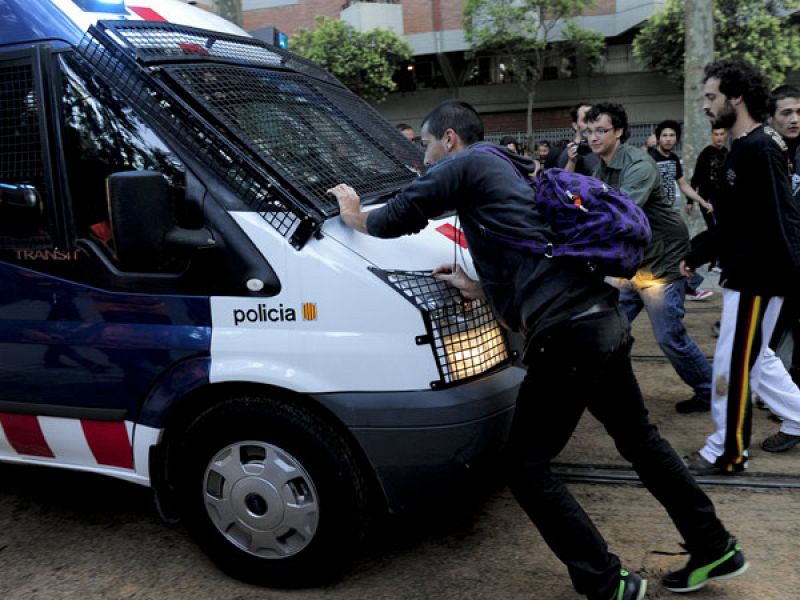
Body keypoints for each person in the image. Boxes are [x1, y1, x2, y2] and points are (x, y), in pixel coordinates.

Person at [328, 99, 747, 600]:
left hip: (568, 335)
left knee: (525, 467)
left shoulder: (468, 162)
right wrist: (479, 286)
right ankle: (714, 544)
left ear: (449, 139)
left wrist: (354, 217)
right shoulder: (511, 169)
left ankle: (604, 580)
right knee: (640, 441)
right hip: (600, 320)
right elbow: (531, 252)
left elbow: (402, 213)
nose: (424, 157)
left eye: (425, 145)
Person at [681, 59, 800, 473]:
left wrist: (788, 280)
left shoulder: (760, 148)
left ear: (736, 97)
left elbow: (780, 220)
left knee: (733, 366)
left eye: (711, 96)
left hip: (757, 279)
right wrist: (694, 255)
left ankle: (727, 452)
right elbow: (735, 222)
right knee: (756, 360)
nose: (704, 105)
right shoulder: (746, 146)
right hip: (750, 275)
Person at [586, 103, 714, 414]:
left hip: (662, 262)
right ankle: (599, 386)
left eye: (601, 130)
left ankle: (710, 391)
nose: (593, 137)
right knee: (605, 327)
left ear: (618, 132)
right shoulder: (600, 166)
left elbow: (619, 213)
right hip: (632, 263)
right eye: (589, 131)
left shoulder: (639, 165)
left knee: (670, 337)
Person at [647, 120, 715, 301]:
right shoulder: (650, 158)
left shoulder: (673, 159)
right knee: (679, 246)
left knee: (671, 251)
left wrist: (702, 201)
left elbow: (683, 184)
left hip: (669, 213)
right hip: (655, 215)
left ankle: (683, 286)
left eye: (672, 135)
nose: (668, 139)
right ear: (658, 138)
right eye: (665, 135)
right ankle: (688, 286)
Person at [560, 103, 600, 176]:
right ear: (575, 125)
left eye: (593, 119)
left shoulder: (596, 147)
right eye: (585, 120)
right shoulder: (570, 153)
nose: (590, 124)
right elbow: (564, 182)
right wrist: (571, 161)